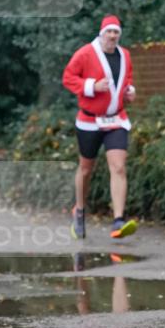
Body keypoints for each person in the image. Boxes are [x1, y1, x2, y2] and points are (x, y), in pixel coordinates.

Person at [62, 14, 138, 240]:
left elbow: (128, 79)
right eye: (109, 32)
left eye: (116, 32)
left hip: (116, 119)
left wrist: (129, 91)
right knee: (86, 169)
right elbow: (68, 77)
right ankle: (79, 209)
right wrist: (91, 86)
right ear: (101, 33)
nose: (113, 36)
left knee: (118, 166)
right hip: (89, 120)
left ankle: (118, 220)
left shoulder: (125, 55)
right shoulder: (86, 53)